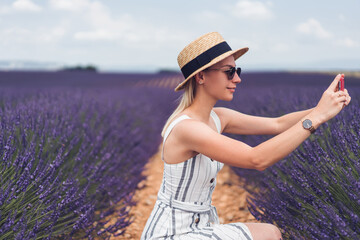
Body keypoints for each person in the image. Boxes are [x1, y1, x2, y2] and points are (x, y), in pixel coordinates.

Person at [140, 32, 351, 240]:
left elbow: (278, 124)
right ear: (201, 76)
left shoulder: (217, 117)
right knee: (270, 234)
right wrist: (315, 119)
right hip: (171, 233)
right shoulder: (188, 129)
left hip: (199, 228)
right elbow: (256, 159)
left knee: (271, 233)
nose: (238, 79)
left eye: (237, 70)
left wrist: (324, 106)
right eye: (229, 72)